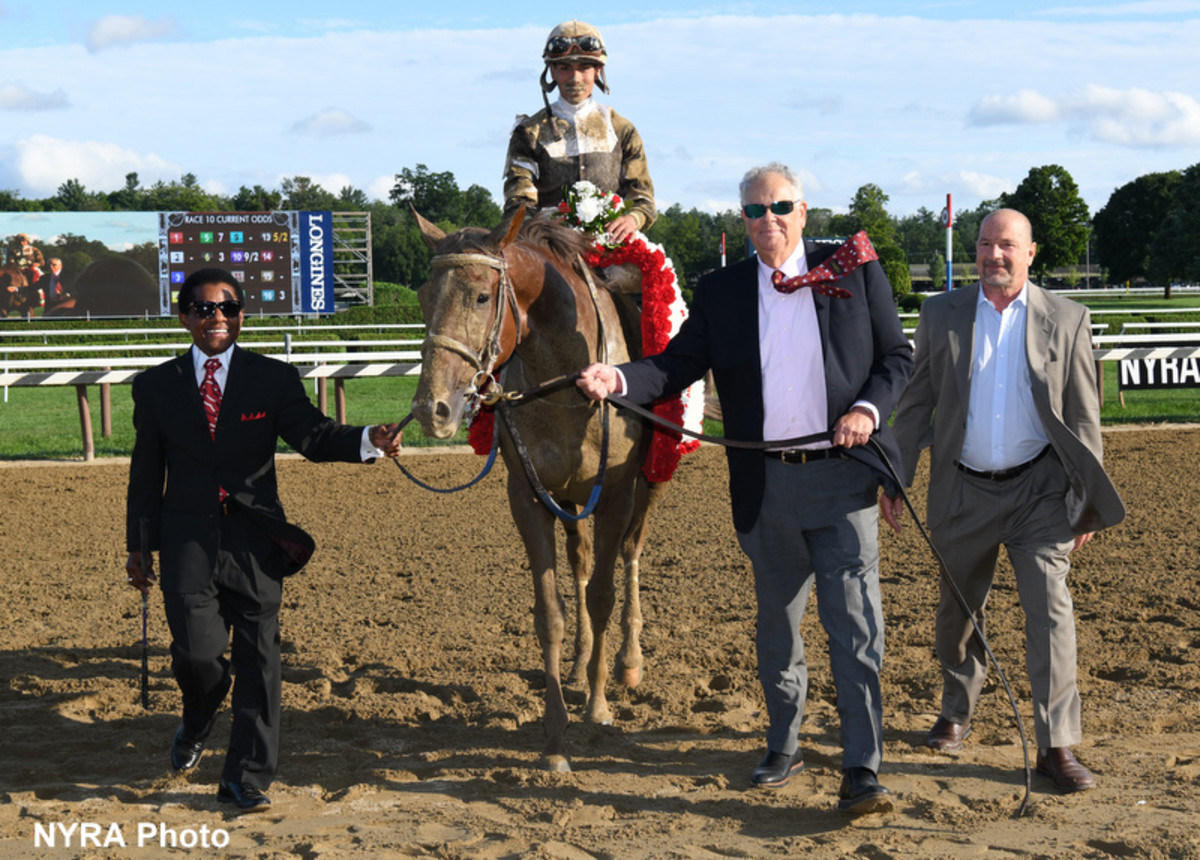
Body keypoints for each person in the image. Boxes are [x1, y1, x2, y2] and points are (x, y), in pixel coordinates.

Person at [577, 162, 913, 814]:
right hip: (769, 490)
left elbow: (897, 358)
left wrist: (867, 411)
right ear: (743, 220)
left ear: (804, 211)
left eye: (780, 207)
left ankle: (862, 767)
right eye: (756, 211)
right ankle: (783, 742)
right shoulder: (724, 291)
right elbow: (675, 366)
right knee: (778, 632)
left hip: (845, 483)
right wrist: (619, 380)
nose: (769, 221)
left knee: (856, 632)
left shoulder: (853, 268)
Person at [125, 267, 402, 812]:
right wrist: (139, 545)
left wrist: (368, 439)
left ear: (242, 317)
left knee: (260, 659)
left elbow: (315, 436)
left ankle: (245, 777)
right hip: (185, 540)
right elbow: (144, 472)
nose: (217, 318)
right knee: (198, 657)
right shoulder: (155, 386)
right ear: (185, 318)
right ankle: (199, 714)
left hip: (255, 539)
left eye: (228, 309)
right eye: (205, 309)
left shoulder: (272, 378)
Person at [881, 208, 1125, 792]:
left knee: (1050, 610)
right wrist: (896, 474)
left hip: (1040, 491)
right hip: (961, 488)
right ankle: (956, 708)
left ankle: (1056, 744)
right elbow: (916, 406)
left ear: (1031, 253)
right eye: (986, 243)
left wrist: (1085, 496)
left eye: (1007, 245)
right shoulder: (941, 314)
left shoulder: (1067, 318)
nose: (995, 254)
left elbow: (1084, 417)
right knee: (956, 616)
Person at [502, 19, 655, 244]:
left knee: (658, 278)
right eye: (565, 68)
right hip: (546, 246)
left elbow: (643, 198)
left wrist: (633, 219)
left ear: (598, 71)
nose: (575, 79)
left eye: (584, 68)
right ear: (552, 71)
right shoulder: (528, 133)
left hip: (612, 245)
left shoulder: (623, 130)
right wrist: (549, 224)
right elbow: (518, 205)